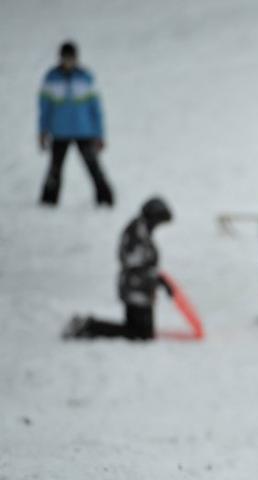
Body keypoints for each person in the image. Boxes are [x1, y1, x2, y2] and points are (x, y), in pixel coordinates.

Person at [62, 198, 173, 340]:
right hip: (135, 289)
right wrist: (157, 279)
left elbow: (145, 264)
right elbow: (135, 264)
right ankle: (89, 326)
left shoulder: (142, 229)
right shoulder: (136, 233)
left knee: (143, 332)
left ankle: (88, 325)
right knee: (140, 334)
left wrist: (159, 280)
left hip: (141, 289)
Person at [38, 41, 114, 207]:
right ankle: (48, 200)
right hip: (59, 132)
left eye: (71, 58)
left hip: (84, 131)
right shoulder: (51, 78)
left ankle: (105, 199)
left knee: (93, 166)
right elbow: (44, 109)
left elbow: (96, 110)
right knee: (55, 169)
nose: (68, 61)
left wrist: (99, 134)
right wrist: (43, 131)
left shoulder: (85, 77)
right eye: (65, 58)